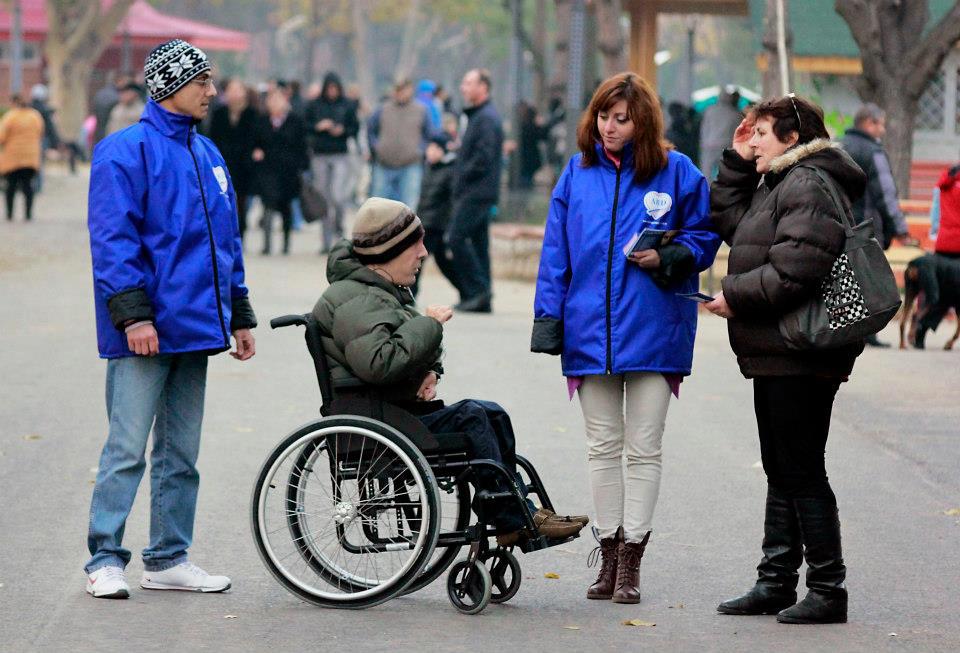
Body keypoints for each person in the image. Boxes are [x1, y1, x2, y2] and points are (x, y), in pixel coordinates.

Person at [532, 72, 720, 605]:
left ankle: (632, 560)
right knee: (602, 447)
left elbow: (706, 235)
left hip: (656, 329)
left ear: (643, 122)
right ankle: (608, 553)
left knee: (644, 448)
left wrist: (670, 256)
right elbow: (555, 255)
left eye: (621, 118)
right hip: (589, 331)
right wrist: (550, 318)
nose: (609, 127)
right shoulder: (577, 173)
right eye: (602, 116)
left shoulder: (677, 172)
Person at [85, 39, 257, 599]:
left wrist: (240, 313)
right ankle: (104, 560)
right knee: (127, 448)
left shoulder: (208, 153)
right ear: (170, 86)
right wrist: (134, 317)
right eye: (202, 81)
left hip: (195, 326)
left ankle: (167, 558)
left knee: (181, 453)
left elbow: (224, 241)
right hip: (144, 331)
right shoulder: (122, 151)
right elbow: (113, 243)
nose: (213, 90)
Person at [311, 197, 587, 544]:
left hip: (391, 410)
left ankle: (516, 509)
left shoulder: (376, 292)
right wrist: (428, 324)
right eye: (416, 245)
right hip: (380, 421)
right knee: (473, 416)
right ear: (390, 251)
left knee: (491, 413)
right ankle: (510, 520)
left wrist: (429, 371)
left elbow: (398, 350)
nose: (424, 253)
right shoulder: (357, 299)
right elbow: (379, 362)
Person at [706, 94, 866, 624]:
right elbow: (737, 227)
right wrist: (735, 161)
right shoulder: (783, 180)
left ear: (792, 138)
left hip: (802, 350)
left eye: (762, 133)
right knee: (783, 466)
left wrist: (736, 296)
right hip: (780, 350)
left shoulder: (810, 184)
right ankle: (775, 581)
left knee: (800, 467)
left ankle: (827, 588)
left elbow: (797, 269)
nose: (753, 140)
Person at [840, 103, 918, 347]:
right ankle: (866, 333)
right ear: (868, 123)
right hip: (865, 226)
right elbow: (885, 193)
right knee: (868, 278)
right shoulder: (873, 151)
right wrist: (900, 229)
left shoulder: (838, 146)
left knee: (844, 276)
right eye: (880, 124)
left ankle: (846, 331)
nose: (882, 130)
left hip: (836, 224)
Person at [447, 68, 504, 313]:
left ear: (484, 87)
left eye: (468, 82)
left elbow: (484, 157)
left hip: (477, 191)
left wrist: (462, 175)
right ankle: (483, 296)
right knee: (479, 243)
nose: (463, 87)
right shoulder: (479, 116)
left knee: (456, 238)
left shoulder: (486, 118)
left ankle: (479, 291)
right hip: (477, 190)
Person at [304, 72, 360, 253]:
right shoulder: (315, 105)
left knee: (338, 195)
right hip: (320, 153)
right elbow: (306, 125)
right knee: (323, 198)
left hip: (340, 153)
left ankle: (339, 224)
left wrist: (342, 130)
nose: (332, 92)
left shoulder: (347, 105)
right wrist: (318, 127)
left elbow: (355, 128)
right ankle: (326, 240)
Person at [253, 88, 309, 255]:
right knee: (268, 204)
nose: (275, 104)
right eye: (272, 100)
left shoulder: (295, 121)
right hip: (267, 170)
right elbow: (255, 141)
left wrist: (301, 167)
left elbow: (302, 146)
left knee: (286, 208)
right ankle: (267, 243)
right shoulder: (262, 121)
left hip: (288, 171)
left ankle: (285, 242)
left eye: (279, 100)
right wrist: (256, 151)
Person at [208, 79, 259, 243]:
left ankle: (240, 235)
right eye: (231, 90)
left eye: (238, 89)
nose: (235, 93)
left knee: (242, 202)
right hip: (223, 162)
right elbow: (213, 137)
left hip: (244, 165)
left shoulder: (252, 113)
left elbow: (257, 138)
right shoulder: (219, 113)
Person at [367, 79, 431, 209]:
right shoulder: (383, 109)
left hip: (411, 164)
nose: (401, 93)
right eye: (398, 89)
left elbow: (428, 133)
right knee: (378, 207)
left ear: (411, 90)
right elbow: (371, 129)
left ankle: (406, 230)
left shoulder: (421, 110)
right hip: (383, 164)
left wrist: (420, 150)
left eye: (404, 89)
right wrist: (376, 147)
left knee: (408, 207)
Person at [412, 133, 460, 296]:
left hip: (435, 225)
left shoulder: (450, 171)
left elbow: (453, 202)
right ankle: (468, 291)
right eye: (429, 148)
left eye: (435, 148)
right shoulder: (429, 168)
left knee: (416, 259)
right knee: (444, 263)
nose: (430, 152)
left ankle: (410, 292)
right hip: (425, 222)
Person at [900, 254, 960, 350]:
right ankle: (916, 327)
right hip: (933, 269)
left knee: (907, 306)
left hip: (915, 266)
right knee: (933, 299)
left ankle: (902, 343)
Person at [0, 94, 44, 221]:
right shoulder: (35, 116)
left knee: (11, 187)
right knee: (28, 186)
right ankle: (28, 214)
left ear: (14, 103)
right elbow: (40, 132)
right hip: (30, 157)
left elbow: (1, 136)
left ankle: (9, 213)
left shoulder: (10, 117)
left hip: (13, 157)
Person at [699, 87, 741, 179]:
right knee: (727, 172)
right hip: (726, 146)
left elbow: (704, 129)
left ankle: (706, 191)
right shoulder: (735, 113)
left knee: (707, 172)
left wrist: (703, 143)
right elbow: (737, 132)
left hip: (709, 145)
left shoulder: (709, 111)